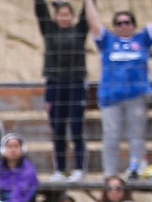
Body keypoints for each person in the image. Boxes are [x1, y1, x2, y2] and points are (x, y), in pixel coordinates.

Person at [85, 0, 152, 178]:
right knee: (111, 137)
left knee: (137, 135)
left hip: (136, 97)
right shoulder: (108, 41)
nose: (123, 26)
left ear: (134, 25)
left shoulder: (143, 40)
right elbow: (94, 23)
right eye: (119, 23)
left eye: (127, 22)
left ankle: (137, 167)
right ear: (114, 26)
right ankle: (110, 174)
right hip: (110, 98)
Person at [35, 1, 90, 181]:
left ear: (72, 17)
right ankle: (60, 169)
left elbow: (89, 11)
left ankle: (79, 169)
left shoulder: (80, 30)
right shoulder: (49, 30)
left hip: (76, 83)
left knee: (76, 128)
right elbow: (40, 10)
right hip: (55, 83)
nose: (64, 18)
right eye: (61, 14)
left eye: (67, 14)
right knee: (58, 129)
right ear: (56, 16)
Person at [0, 133, 41, 202]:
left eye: (16, 146)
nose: (13, 150)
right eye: (9, 146)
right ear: (3, 149)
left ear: (22, 149)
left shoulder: (29, 170)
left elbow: (22, 197)